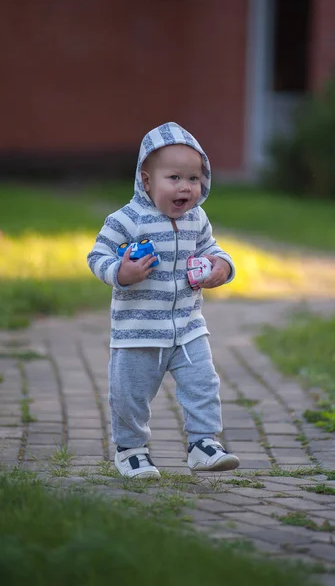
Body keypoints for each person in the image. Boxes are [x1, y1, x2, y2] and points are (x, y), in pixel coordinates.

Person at [87, 122, 240, 479]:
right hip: (139, 332)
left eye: (193, 178)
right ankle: (131, 450)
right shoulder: (126, 219)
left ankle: (203, 444)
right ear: (146, 181)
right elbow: (97, 257)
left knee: (203, 384)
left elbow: (210, 249)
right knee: (130, 397)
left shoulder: (196, 218)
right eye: (174, 177)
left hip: (187, 327)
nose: (186, 187)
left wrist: (222, 266)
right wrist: (121, 273)